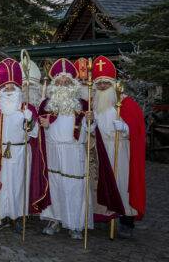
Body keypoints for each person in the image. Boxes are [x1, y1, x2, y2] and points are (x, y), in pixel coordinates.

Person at [0, 58, 49, 232]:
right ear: (0, 89)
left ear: (19, 88)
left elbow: (34, 134)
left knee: (20, 183)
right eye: (6, 87)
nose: (9, 90)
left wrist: (29, 120)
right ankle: (1, 215)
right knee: (2, 183)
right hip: (1, 151)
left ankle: (18, 216)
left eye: (13, 86)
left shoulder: (28, 108)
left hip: (21, 151)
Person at [89, 55, 146, 238]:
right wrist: (90, 125)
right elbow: (90, 129)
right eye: (99, 83)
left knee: (121, 183)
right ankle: (107, 215)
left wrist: (125, 128)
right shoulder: (95, 104)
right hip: (102, 149)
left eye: (106, 83)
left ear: (113, 83)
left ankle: (125, 220)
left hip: (120, 149)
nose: (103, 86)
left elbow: (137, 130)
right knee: (104, 184)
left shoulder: (125, 103)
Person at [38, 58, 91, 239]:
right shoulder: (46, 103)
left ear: (73, 84)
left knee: (74, 186)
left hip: (73, 150)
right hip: (53, 150)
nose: (62, 84)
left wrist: (91, 121)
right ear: (54, 84)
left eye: (66, 82)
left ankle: (74, 224)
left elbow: (91, 129)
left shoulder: (83, 105)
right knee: (55, 185)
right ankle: (55, 219)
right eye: (59, 82)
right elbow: (35, 129)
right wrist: (42, 124)